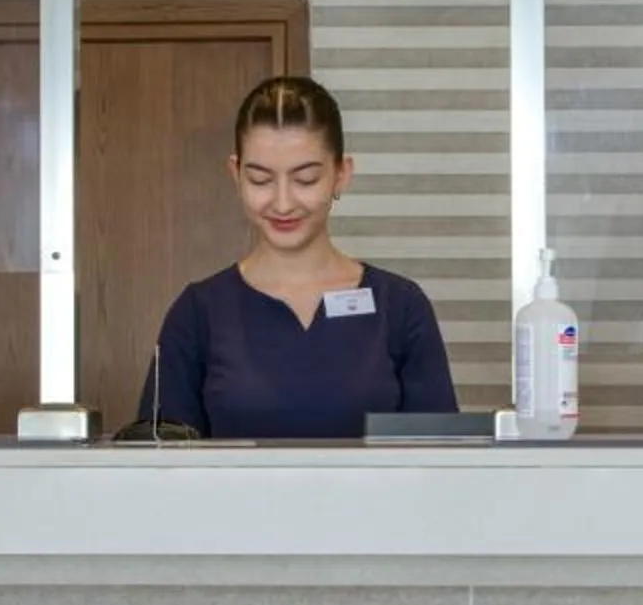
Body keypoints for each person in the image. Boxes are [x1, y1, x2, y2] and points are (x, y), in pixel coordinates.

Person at [133, 76, 457, 440]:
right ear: (235, 173)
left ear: (341, 174)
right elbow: (161, 464)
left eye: (306, 179)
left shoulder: (400, 307)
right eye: (261, 180)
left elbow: (441, 459)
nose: (283, 203)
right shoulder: (198, 314)